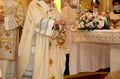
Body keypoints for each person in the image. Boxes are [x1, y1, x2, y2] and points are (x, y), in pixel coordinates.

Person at [17, 0, 67, 79]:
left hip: (52, 44)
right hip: (38, 44)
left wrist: (58, 25)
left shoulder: (53, 5)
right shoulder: (34, 5)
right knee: (36, 70)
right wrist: (55, 22)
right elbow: (37, 22)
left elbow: (59, 21)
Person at [0, 0, 25, 79]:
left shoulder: (17, 4)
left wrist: (4, 18)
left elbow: (20, 20)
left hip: (10, 40)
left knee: (7, 65)